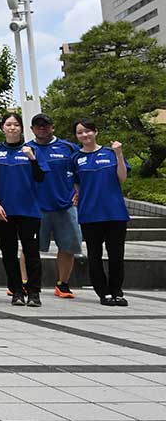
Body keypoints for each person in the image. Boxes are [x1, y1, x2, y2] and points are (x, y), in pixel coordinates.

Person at [0, 112, 47, 307]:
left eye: (16, 125)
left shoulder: (32, 150)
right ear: (3, 128)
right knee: (8, 253)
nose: (12, 128)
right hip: (4, 212)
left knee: (31, 253)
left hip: (29, 211)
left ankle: (34, 292)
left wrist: (32, 159)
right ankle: (16, 291)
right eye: (8, 124)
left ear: (22, 129)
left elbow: (41, 178)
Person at [72, 118, 131, 307]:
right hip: (90, 214)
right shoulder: (75, 158)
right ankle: (103, 292)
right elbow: (76, 183)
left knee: (116, 255)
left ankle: (117, 291)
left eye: (88, 131)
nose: (84, 135)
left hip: (115, 213)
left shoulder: (110, 153)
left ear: (96, 132)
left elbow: (122, 177)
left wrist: (119, 154)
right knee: (94, 255)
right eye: (80, 132)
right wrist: (78, 195)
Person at [27, 113, 82, 298]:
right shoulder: (26, 149)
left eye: (45, 125)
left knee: (68, 247)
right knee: (29, 248)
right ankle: (25, 283)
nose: (42, 128)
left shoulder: (69, 148)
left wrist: (78, 191)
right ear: (32, 129)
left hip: (65, 205)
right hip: (35, 207)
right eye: (38, 125)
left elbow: (81, 171)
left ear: (53, 127)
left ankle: (62, 284)